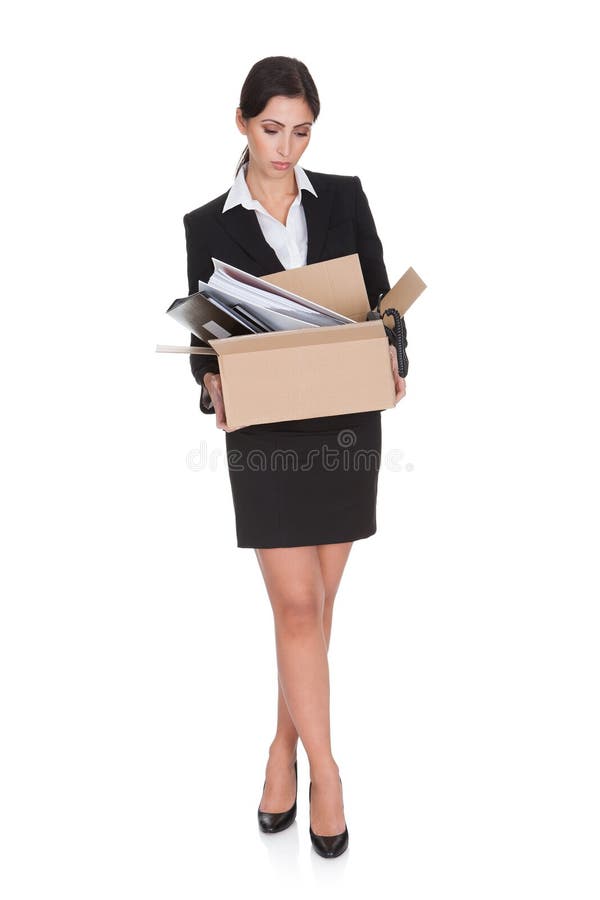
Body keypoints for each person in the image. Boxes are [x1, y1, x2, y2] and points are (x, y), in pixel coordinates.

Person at [182, 56, 407, 858]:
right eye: (272, 128)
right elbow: (205, 340)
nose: (287, 148)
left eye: (301, 131)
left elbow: (382, 302)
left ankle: (280, 750)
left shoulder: (342, 197)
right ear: (242, 123)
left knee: (313, 611)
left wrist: (394, 356)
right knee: (299, 610)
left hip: (344, 423)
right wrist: (213, 387)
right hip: (269, 431)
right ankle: (327, 772)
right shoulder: (207, 223)